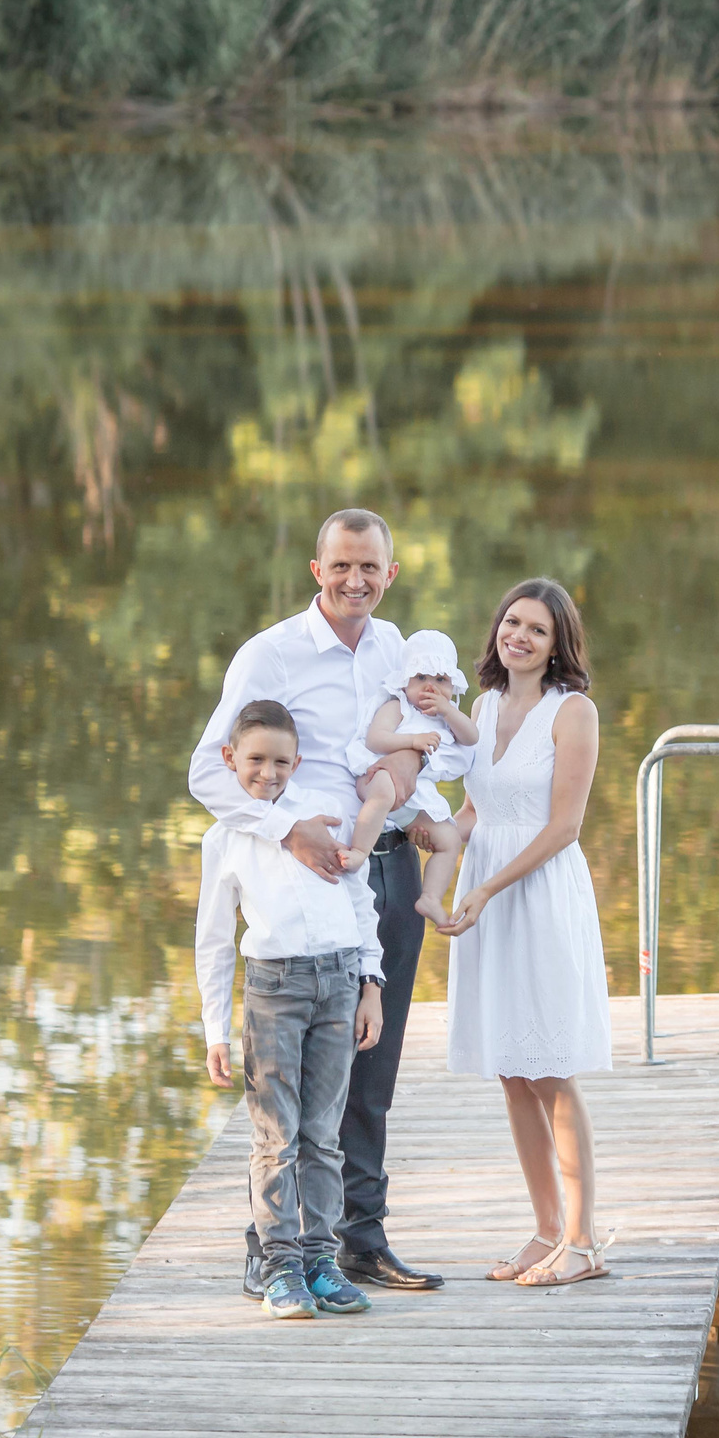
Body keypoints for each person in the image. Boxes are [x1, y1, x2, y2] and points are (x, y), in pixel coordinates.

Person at [187, 508, 465, 1295]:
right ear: (317, 569)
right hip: (306, 879)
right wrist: (285, 829)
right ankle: (268, 1244)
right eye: (341, 565)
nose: (355, 580)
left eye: (369, 567)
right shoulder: (269, 655)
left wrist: (413, 778)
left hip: (386, 871)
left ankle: (358, 1239)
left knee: (370, 1069)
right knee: (296, 1084)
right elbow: (208, 774)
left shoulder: (396, 650)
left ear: (390, 572)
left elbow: (422, 740)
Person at [437, 577, 617, 1288]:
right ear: (497, 631)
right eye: (512, 622)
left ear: (557, 645)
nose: (519, 636)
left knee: (550, 1066)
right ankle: (546, 1228)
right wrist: (432, 834)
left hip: (536, 893)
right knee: (512, 1067)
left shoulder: (572, 713)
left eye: (536, 629)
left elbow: (564, 826)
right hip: (485, 889)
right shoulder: (481, 707)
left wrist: (484, 886)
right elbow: (475, 810)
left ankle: (584, 1240)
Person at [193, 700, 384, 1320]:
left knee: (323, 1137)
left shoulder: (319, 819)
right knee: (276, 1140)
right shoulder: (225, 839)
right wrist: (214, 1030)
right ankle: (279, 1267)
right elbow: (216, 941)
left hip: (337, 984)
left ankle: (321, 1261)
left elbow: (360, 902)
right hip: (274, 991)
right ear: (230, 760)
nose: (268, 773)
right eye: (255, 760)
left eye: (281, 761)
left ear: (297, 762)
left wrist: (370, 984)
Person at [344, 629, 478, 925]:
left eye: (440, 680)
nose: (430, 687)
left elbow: (471, 737)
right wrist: (413, 742)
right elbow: (376, 740)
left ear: (452, 685)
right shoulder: (397, 706)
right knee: (385, 793)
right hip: (377, 774)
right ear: (404, 681)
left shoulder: (447, 717)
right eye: (421, 678)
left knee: (449, 838)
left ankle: (430, 897)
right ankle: (358, 850)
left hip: (414, 797)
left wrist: (448, 712)